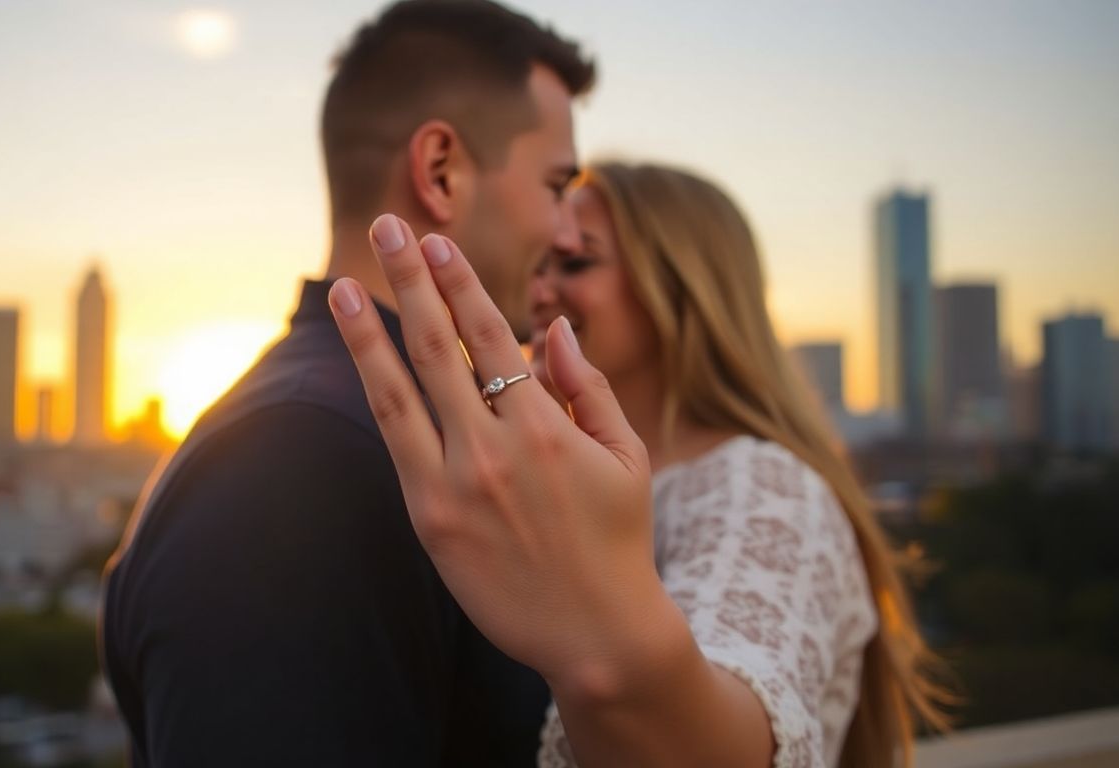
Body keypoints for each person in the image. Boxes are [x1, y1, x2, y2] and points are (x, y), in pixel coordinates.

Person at [100, 1, 595, 765]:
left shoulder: (365, 428)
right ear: (441, 171)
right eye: (557, 184)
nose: (567, 234)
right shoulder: (299, 465)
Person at [326, 164, 949, 767]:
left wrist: (599, 641)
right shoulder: (557, 486)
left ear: (681, 291)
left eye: (575, 262)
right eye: (541, 262)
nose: (540, 290)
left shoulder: (762, 487)